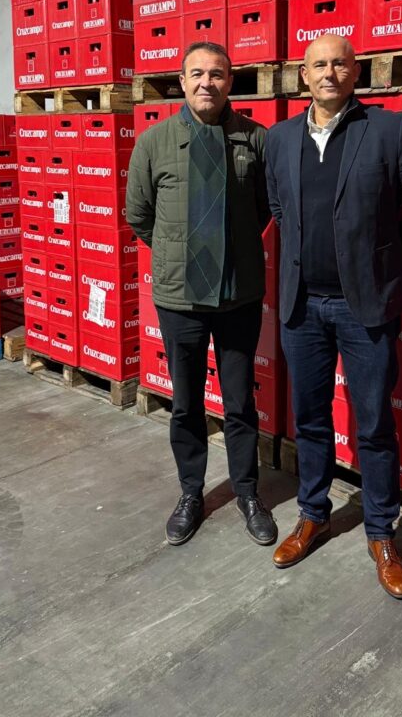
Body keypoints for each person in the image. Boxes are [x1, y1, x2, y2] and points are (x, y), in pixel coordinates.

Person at [265, 34, 402, 598]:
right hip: (301, 307)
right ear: (303, 75)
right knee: (310, 417)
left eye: (339, 63)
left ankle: (382, 533)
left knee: (374, 423)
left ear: (355, 71)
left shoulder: (388, 130)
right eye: (318, 65)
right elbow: (278, 207)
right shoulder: (280, 138)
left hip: (364, 308)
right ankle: (313, 514)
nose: (329, 73)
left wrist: (383, 266)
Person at [126, 41, 277, 548]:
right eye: (197, 74)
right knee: (186, 403)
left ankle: (248, 492)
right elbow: (139, 214)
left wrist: (229, 249)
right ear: (182, 81)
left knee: (239, 402)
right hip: (180, 301)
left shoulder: (255, 139)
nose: (206, 83)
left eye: (216, 74)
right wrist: (182, 251)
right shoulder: (154, 142)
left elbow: (265, 209)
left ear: (229, 81)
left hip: (239, 297)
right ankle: (192, 492)